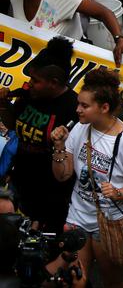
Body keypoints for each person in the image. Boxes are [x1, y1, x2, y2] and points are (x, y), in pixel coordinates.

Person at [49, 68, 123, 288]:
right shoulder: (80, 128)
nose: (77, 109)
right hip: (78, 215)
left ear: (104, 107)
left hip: (109, 222)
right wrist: (59, 148)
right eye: (79, 103)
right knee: (74, 280)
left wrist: (119, 193)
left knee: (112, 282)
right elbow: (63, 175)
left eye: (84, 106)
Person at [0, 36, 75, 233]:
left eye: (35, 80)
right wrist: (4, 105)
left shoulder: (73, 108)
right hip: (20, 183)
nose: (29, 83)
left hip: (51, 195)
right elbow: (13, 125)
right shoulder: (29, 95)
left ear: (54, 83)